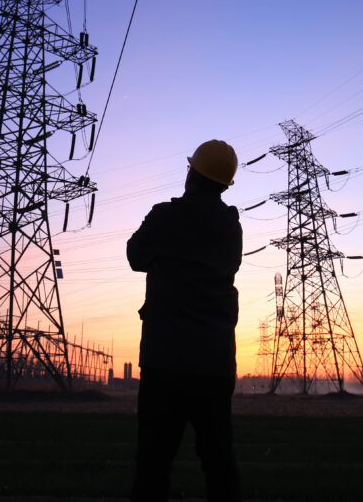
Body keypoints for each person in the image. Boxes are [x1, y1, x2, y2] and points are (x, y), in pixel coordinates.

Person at [128, 139, 243, 501]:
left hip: (167, 361)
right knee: (219, 461)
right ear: (225, 184)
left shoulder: (165, 217)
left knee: (153, 462)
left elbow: (135, 256)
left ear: (191, 174)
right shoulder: (231, 228)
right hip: (215, 361)